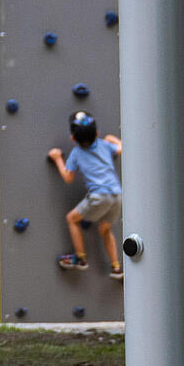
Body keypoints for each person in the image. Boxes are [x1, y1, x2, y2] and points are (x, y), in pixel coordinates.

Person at [47, 111, 123, 279]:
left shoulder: (76, 153)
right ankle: (116, 267)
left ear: (72, 139)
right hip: (117, 195)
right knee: (105, 229)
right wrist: (113, 138)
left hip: (99, 196)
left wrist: (58, 158)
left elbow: (68, 177)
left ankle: (80, 258)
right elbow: (121, 148)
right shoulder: (104, 145)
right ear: (96, 133)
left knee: (71, 219)